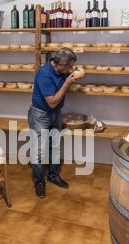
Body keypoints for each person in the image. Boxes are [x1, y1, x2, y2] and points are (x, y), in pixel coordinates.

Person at [28, 47, 79, 199]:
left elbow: (55, 105)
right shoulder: (44, 74)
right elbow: (51, 102)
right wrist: (67, 83)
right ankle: (39, 182)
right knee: (39, 152)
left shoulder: (62, 70)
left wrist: (73, 74)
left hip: (56, 114)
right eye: (69, 66)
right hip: (40, 115)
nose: (71, 69)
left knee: (55, 147)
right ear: (60, 64)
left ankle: (53, 175)